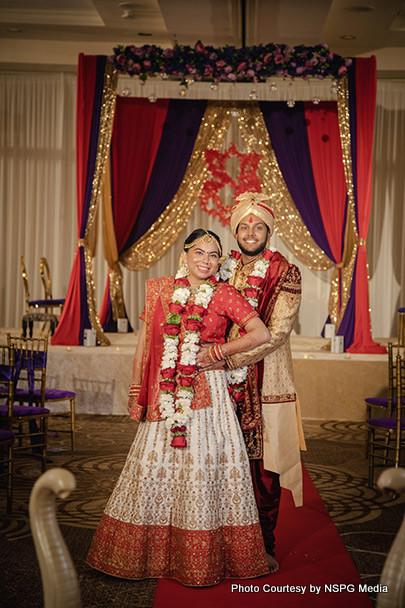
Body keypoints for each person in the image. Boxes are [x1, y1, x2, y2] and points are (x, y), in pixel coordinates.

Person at [86, 228, 272, 587]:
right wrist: (138, 387)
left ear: (220, 261)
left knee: (201, 470)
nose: (206, 260)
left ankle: (200, 559)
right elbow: (145, 342)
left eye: (214, 254)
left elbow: (260, 333)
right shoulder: (159, 290)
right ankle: (149, 554)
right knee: (155, 465)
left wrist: (217, 353)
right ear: (184, 255)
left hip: (209, 399)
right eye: (199, 252)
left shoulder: (224, 293)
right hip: (164, 391)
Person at [197, 192, 306, 573]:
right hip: (219, 382)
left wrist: (222, 358)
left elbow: (275, 334)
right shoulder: (221, 267)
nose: (250, 232)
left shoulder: (285, 271)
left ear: (269, 231)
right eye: (243, 226)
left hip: (266, 381)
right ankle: (222, 544)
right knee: (221, 461)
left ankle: (263, 547)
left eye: (258, 226)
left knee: (263, 467)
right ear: (235, 230)